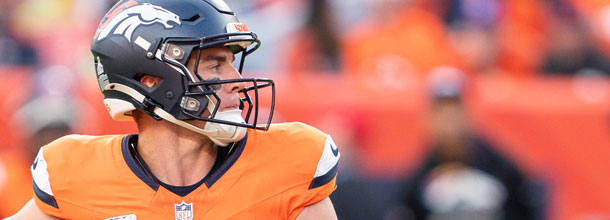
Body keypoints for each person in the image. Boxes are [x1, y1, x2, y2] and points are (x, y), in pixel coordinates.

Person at [7, 0, 340, 219]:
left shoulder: (289, 162)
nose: (237, 80)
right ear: (150, 80)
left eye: (232, 63)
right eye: (215, 64)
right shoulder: (74, 173)